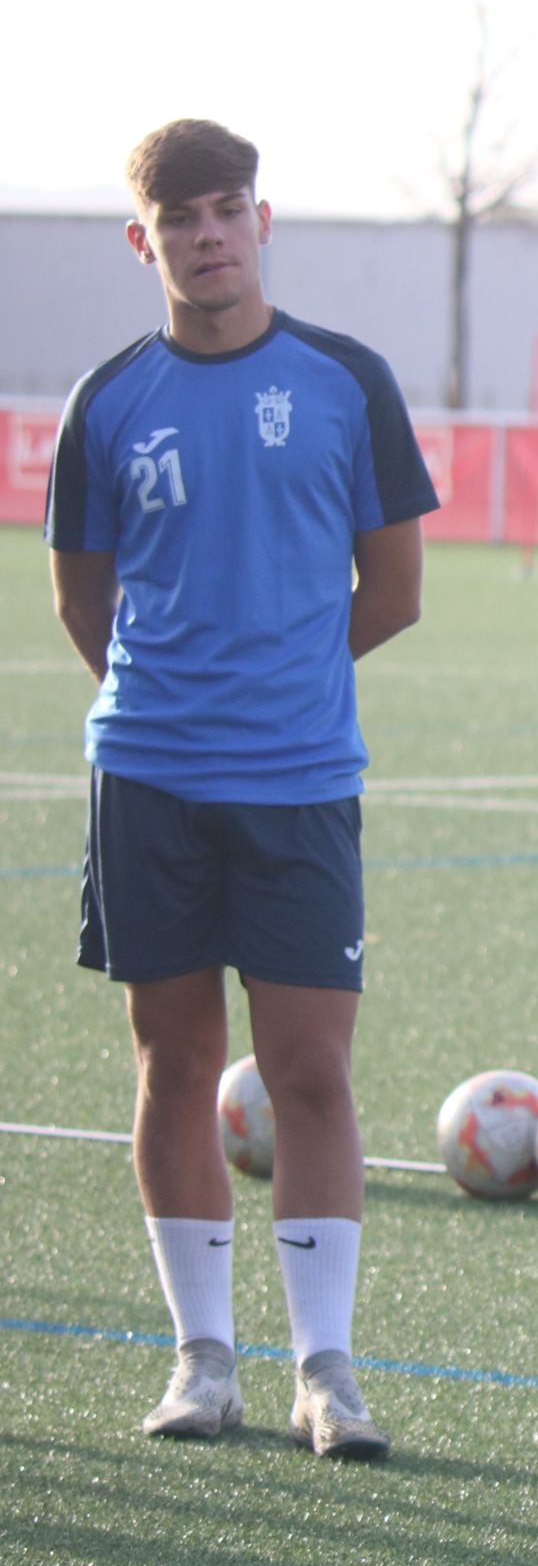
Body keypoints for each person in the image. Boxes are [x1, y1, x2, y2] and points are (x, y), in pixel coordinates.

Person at [45, 119, 436, 1461]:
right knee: (174, 1061)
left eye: (230, 211)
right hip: (147, 773)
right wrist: (175, 697)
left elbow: (393, 592)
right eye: (182, 218)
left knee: (311, 1069)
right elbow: (83, 601)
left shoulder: (346, 381)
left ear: (261, 223)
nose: (209, 237)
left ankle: (325, 1367)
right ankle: (200, 1356)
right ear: (142, 237)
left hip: (302, 782)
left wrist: (276, 678)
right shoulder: (106, 400)